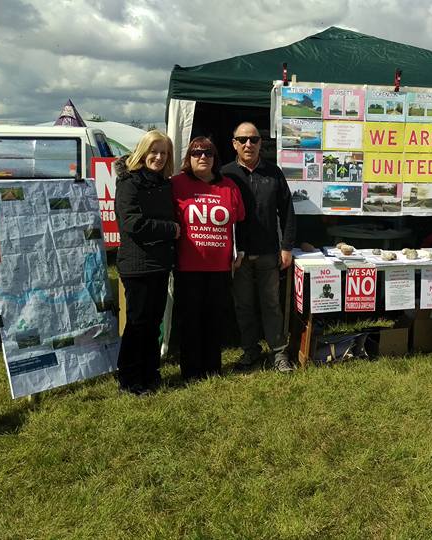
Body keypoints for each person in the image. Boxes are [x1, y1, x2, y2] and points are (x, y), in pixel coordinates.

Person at [221, 122, 298, 373]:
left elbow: (287, 212)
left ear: (260, 143)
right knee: (243, 305)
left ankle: (278, 353)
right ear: (234, 143)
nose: (248, 144)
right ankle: (250, 351)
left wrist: (286, 247)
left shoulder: (273, 172)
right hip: (238, 255)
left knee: (271, 305)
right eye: (242, 139)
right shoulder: (225, 174)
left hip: (268, 253)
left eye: (253, 139)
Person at [172, 136, 245, 381]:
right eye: (196, 153)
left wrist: (240, 252)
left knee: (214, 319)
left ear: (215, 158)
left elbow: (240, 224)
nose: (203, 157)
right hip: (188, 266)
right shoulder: (176, 184)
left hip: (220, 268)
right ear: (188, 158)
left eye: (208, 153)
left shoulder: (229, 186)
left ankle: (213, 369)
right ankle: (191, 371)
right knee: (190, 320)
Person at [113, 130, 179, 395]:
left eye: (164, 153)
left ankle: (150, 372)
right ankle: (129, 377)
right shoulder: (129, 182)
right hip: (137, 263)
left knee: (154, 322)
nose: (159, 157)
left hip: (160, 263)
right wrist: (170, 230)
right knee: (138, 322)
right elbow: (130, 222)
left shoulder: (163, 183)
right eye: (154, 151)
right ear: (143, 152)